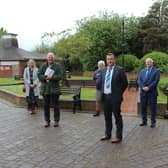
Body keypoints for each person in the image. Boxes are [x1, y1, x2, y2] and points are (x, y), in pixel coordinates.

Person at [100, 53, 128, 143]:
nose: (110, 61)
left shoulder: (120, 70)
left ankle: (118, 136)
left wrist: (118, 93)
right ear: (106, 60)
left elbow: (125, 83)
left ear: (114, 60)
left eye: (111, 59)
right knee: (107, 117)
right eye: (108, 59)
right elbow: (102, 83)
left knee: (117, 117)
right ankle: (108, 134)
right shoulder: (103, 70)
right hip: (105, 97)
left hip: (115, 98)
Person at [38, 52, 63, 127]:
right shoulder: (43, 65)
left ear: (53, 58)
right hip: (45, 89)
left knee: (56, 106)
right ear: (47, 58)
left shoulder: (57, 66)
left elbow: (60, 76)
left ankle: (56, 121)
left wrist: (51, 77)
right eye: (49, 57)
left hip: (54, 89)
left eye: (51, 57)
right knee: (46, 106)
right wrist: (45, 78)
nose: (50, 59)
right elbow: (39, 75)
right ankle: (47, 121)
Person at [138, 58, 160, 128]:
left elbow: (156, 81)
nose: (148, 64)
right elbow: (139, 81)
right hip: (143, 92)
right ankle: (144, 121)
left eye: (149, 62)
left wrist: (149, 87)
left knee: (153, 108)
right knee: (143, 107)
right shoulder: (142, 71)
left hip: (152, 93)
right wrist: (142, 87)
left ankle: (153, 122)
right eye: (147, 62)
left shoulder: (156, 71)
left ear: (152, 63)